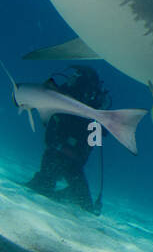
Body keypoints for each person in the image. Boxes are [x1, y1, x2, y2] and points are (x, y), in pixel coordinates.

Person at [25, 66, 107, 213]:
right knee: (42, 187)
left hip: (75, 163)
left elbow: (95, 140)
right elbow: (50, 134)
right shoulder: (62, 100)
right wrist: (61, 146)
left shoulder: (93, 110)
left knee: (86, 206)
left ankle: (62, 194)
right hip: (55, 155)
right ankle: (49, 187)